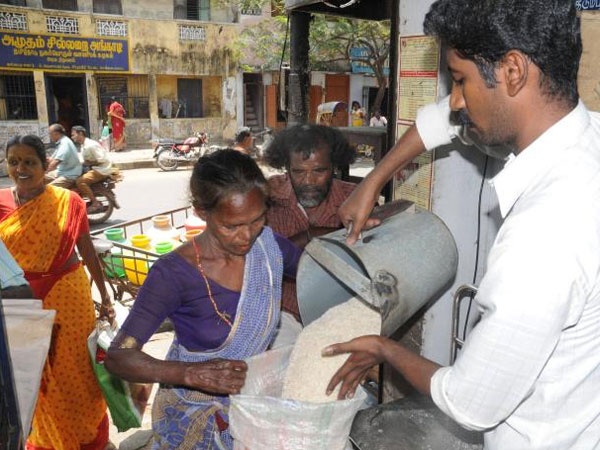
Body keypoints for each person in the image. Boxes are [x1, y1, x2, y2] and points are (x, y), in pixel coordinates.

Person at [326, 1, 600, 449]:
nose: (455, 100)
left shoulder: (545, 235)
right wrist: (374, 179)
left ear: (513, 71)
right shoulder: (588, 137)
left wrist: (384, 349)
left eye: (459, 80)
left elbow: (470, 404)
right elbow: (446, 123)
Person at [104, 149, 301, 449]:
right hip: (191, 416)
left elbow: (319, 272)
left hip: (250, 408)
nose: (246, 235)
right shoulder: (173, 274)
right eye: (231, 226)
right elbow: (119, 357)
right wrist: (189, 374)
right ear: (201, 212)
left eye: (257, 219)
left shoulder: (269, 248)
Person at [0, 134, 113, 449]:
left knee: (74, 373)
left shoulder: (69, 202)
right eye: (13, 162)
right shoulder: (0, 202)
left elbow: (87, 251)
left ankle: (85, 436)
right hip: (20, 304)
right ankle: (49, 439)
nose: (21, 168)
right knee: (35, 377)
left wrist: (104, 295)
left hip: (68, 299)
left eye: (29, 162)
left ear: (44, 165)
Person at [264, 124, 356, 346]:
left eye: (318, 171)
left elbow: (368, 251)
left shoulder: (353, 199)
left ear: (333, 166)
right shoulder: (266, 196)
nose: (308, 181)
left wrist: (313, 236)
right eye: (298, 172)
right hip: (281, 313)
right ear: (286, 168)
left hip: (337, 313)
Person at [71, 125, 112, 213]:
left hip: (101, 170)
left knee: (80, 181)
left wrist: (88, 163)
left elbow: (102, 159)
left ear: (81, 134)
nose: (72, 137)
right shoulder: (83, 145)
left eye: (74, 134)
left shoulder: (91, 145)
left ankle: (95, 202)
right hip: (93, 168)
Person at [46, 123, 82, 189]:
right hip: (61, 171)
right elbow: (52, 159)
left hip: (69, 174)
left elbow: (55, 162)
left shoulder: (65, 143)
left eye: (50, 134)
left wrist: (45, 171)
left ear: (56, 134)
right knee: (39, 179)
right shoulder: (61, 142)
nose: (49, 136)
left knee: (48, 189)